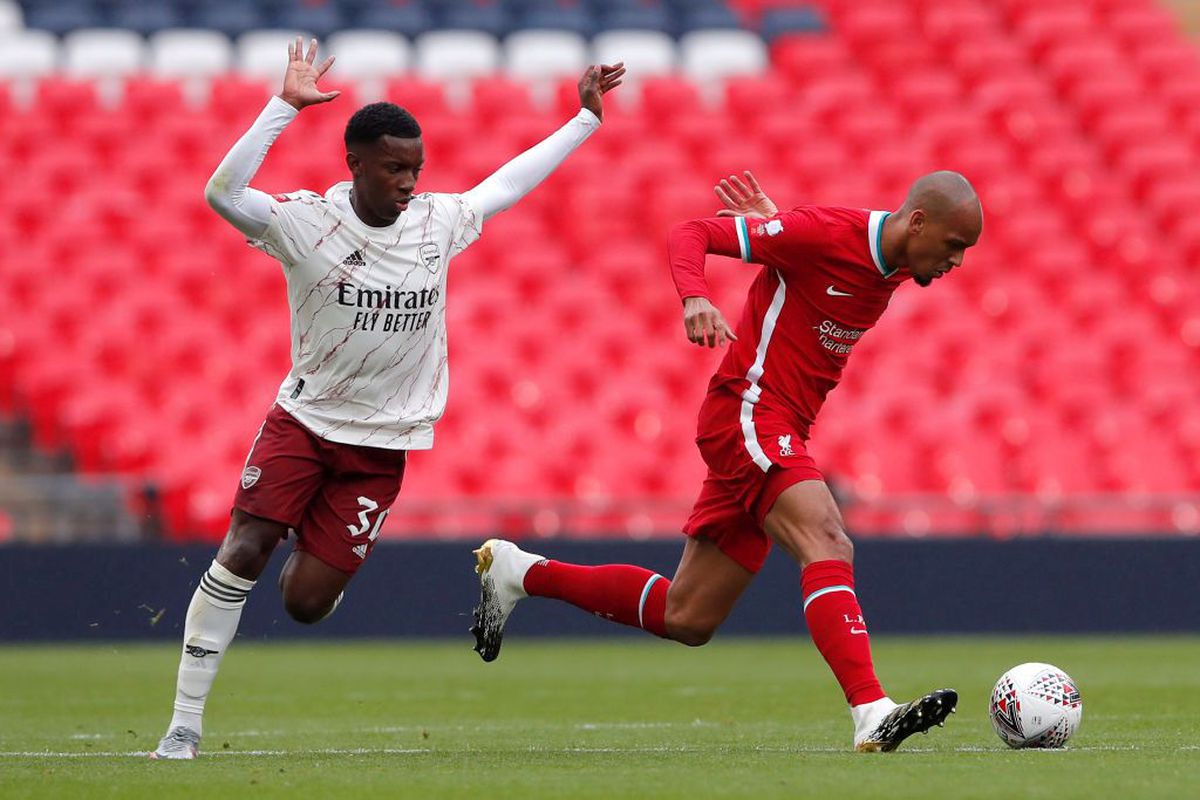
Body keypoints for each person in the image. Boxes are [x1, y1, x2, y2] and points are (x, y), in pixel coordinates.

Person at [151, 38, 624, 760]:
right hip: (304, 422)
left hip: (382, 445)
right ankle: (184, 725)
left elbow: (506, 184)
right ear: (356, 164)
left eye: (415, 169)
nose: (408, 182)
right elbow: (221, 194)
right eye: (394, 168)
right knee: (244, 547)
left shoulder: (438, 222)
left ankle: (317, 557)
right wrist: (283, 107)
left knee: (305, 604)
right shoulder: (305, 224)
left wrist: (584, 120)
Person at [472, 170, 984, 752]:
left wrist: (778, 232)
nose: (957, 261)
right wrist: (696, 295)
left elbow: (808, 269)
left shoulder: (893, 261)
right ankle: (871, 709)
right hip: (750, 412)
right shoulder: (825, 235)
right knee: (827, 539)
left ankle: (516, 572)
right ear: (917, 222)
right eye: (953, 244)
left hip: (777, 427)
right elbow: (689, 233)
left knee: (687, 615)